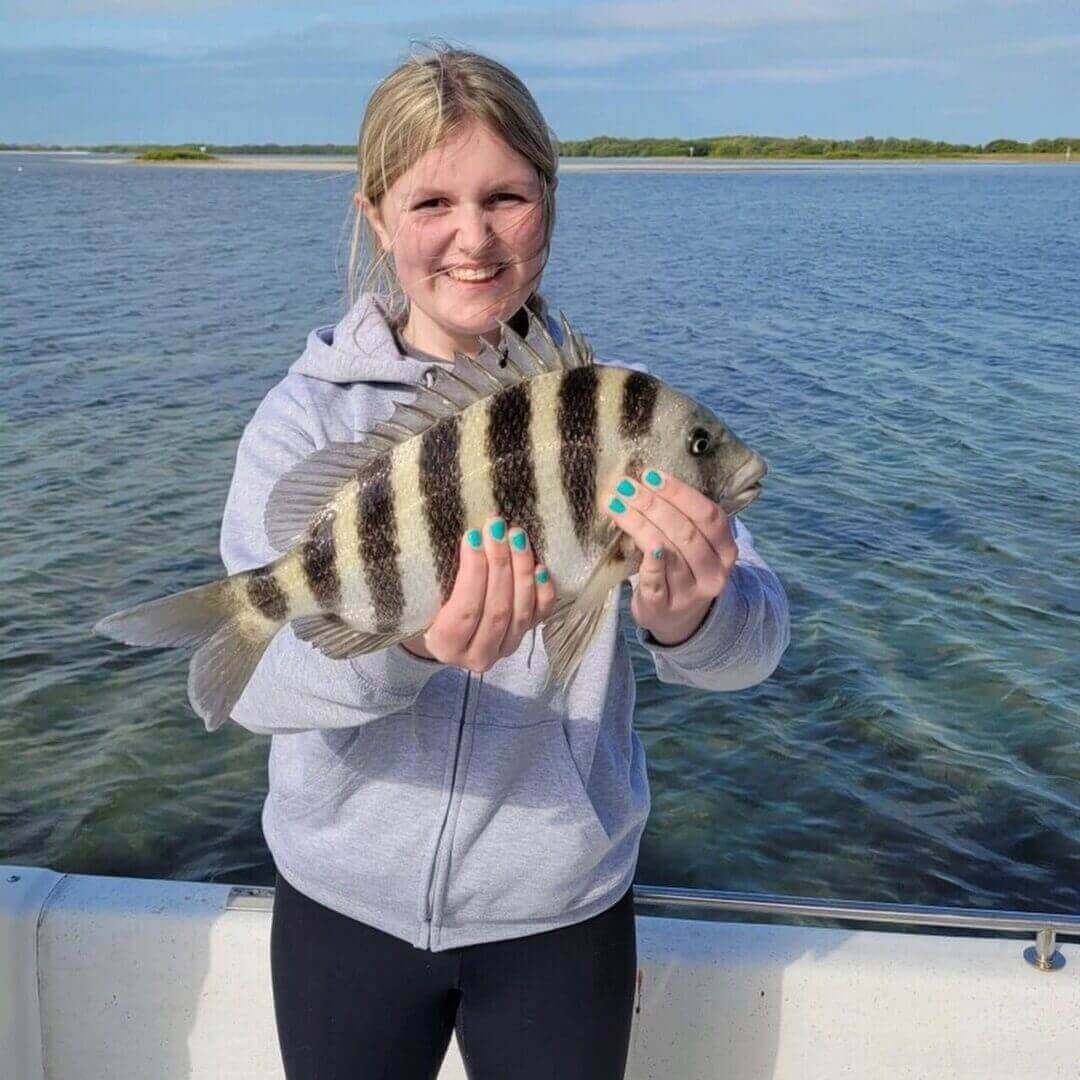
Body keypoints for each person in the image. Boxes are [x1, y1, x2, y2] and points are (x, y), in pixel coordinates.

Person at [219, 45, 790, 1080]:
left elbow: (752, 648)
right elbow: (262, 686)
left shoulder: (626, 413)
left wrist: (690, 616)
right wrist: (411, 650)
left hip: (557, 915)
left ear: (550, 203)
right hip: (342, 905)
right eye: (431, 201)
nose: (472, 237)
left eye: (506, 197)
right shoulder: (305, 416)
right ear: (376, 215)